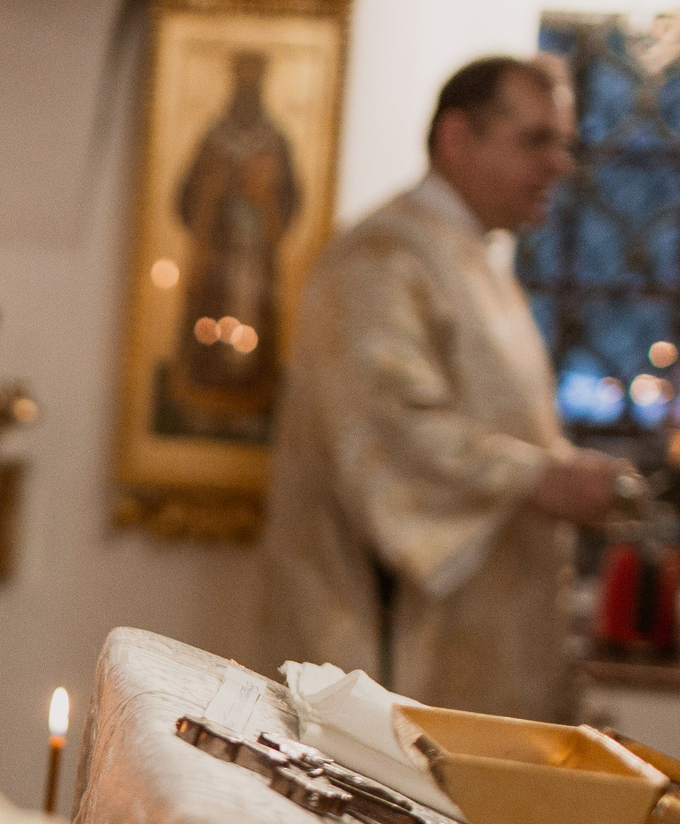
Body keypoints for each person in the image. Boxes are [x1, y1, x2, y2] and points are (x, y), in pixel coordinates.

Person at [261, 54, 622, 722]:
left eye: (564, 143)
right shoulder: (378, 259)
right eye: (536, 141)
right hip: (396, 647)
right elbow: (385, 431)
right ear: (458, 139)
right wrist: (544, 479)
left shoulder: (471, 257)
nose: (560, 166)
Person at [166, 50, 300, 438]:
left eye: (253, 82)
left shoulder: (276, 141)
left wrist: (265, 194)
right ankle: (200, 407)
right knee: (207, 326)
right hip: (217, 255)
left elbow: (291, 204)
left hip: (255, 256)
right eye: (242, 81)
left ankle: (250, 409)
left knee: (254, 325)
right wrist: (216, 187)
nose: (247, 89)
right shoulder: (213, 139)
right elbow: (185, 199)